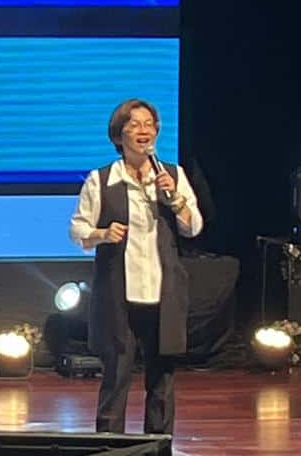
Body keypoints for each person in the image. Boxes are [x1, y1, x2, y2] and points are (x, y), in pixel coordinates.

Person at [68, 98, 203, 435]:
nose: (144, 130)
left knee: (162, 381)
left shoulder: (172, 175)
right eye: (135, 124)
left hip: (162, 293)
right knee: (116, 377)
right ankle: (109, 446)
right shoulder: (101, 180)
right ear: (119, 135)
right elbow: (77, 230)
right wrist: (102, 233)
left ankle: (158, 446)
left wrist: (176, 199)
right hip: (120, 295)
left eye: (149, 124)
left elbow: (193, 227)